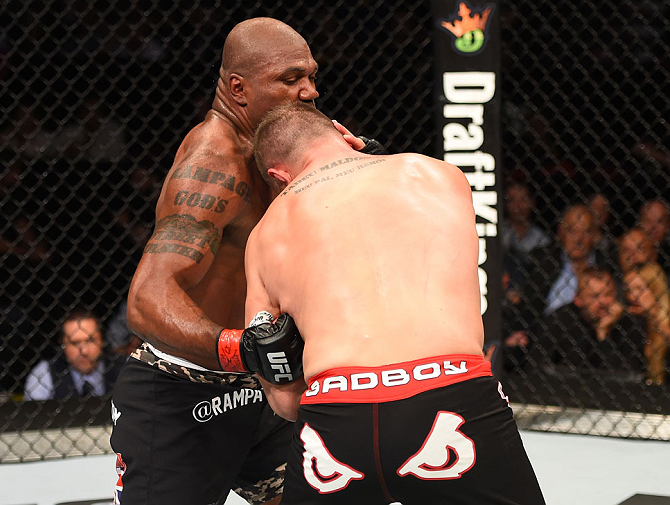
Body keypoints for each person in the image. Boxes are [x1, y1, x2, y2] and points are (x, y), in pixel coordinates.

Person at [110, 17, 385, 505]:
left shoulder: (282, 150)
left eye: (311, 77)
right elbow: (147, 299)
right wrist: (245, 349)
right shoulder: (214, 161)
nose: (309, 92)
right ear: (238, 89)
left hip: (266, 392)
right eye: (290, 79)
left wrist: (355, 174)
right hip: (183, 396)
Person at [245, 102, 544, 504]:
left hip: (336, 423)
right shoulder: (439, 176)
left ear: (278, 176)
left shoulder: (265, 236)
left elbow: (284, 398)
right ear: (342, 132)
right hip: (451, 400)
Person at [542, 267, 647, 379]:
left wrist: (603, 333)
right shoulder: (559, 321)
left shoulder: (629, 323)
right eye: (595, 296)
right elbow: (539, 368)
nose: (603, 302)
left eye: (608, 294)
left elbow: (627, 376)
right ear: (578, 299)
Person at [24, 307, 126, 400]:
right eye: (75, 343)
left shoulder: (125, 368)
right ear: (62, 344)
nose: (84, 351)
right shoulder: (44, 374)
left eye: (90, 340)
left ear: (101, 340)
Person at [623, 263, 670, 385]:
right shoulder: (631, 325)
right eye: (628, 290)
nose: (632, 296)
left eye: (640, 289)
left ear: (656, 289)